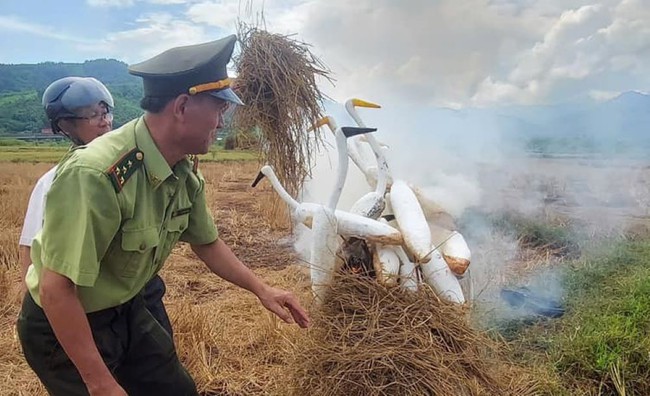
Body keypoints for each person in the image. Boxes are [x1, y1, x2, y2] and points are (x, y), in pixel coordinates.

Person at [17, 34, 310, 396]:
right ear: (183, 107)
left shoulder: (182, 171)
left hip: (127, 305)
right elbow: (57, 289)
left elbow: (207, 242)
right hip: (65, 322)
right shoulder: (96, 175)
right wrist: (100, 383)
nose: (221, 124)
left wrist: (262, 289)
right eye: (218, 110)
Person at [17, 76, 174, 338]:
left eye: (105, 112)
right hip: (91, 302)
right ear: (66, 125)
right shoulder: (54, 181)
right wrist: (37, 306)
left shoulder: (132, 168)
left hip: (139, 292)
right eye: (91, 115)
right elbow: (30, 248)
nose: (104, 121)